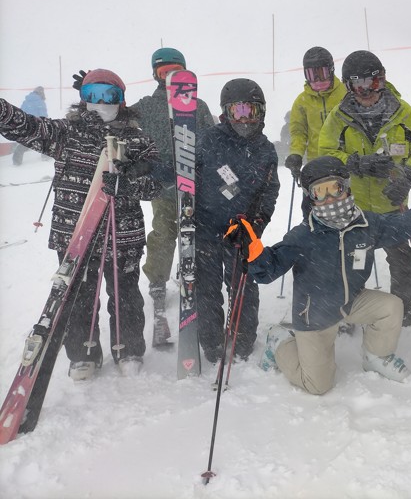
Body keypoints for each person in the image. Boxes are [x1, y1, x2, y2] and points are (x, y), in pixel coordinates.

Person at [227, 156, 411, 395]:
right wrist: (253, 252)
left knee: (391, 306)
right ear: (311, 198)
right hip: (314, 316)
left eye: (334, 188)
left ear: (346, 188)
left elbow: (403, 224)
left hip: (350, 301)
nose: (329, 198)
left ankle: (376, 356)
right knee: (317, 386)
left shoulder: (367, 226)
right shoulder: (303, 237)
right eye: (319, 192)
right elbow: (267, 271)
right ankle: (279, 341)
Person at [0, 69, 162, 379]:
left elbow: (156, 184)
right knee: (78, 298)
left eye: (109, 96)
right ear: (83, 100)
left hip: (123, 234)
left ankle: (127, 348)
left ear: (122, 100)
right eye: (93, 95)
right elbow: (25, 126)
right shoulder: (66, 133)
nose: (101, 104)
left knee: (125, 296)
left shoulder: (137, 138)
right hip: (74, 232)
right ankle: (83, 354)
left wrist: (128, 184)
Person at [318, 50, 411, 326]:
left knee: (402, 260)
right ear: (348, 86)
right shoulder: (339, 117)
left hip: (391, 204)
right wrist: (355, 164)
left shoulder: (402, 112)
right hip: (353, 208)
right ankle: (347, 310)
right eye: (358, 84)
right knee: (352, 262)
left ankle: (402, 309)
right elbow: (326, 154)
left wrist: (409, 175)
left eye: (374, 82)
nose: (367, 90)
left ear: (383, 80)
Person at [128, 47, 215, 346]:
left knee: (196, 232)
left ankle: (196, 275)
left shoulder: (198, 106)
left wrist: (204, 166)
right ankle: (157, 281)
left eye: (175, 72)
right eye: (164, 73)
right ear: (155, 74)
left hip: (195, 185)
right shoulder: (145, 107)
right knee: (164, 232)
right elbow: (116, 123)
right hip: (163, 186)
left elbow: (212, 139)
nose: (169, 79)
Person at [195, 78, 280, 363]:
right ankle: (211, 341)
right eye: (237, 111)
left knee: (243, 283)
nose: (244, 119)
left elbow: (270, 190)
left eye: (250, 111)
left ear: (261, 112)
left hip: (241, 231)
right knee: (207, 287)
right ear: (226, 113)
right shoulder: (210, 139)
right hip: (206, 226)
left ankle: (243, 338)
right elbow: (189, 175)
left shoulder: (265, 149)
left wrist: (256, 225)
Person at [283, 47, 348, 181]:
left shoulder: (345, 94)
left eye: (322, 73)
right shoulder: (302, 102)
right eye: (312, 75)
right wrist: (296, 153)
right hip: (316, 164)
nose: (317, 80)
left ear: (331, 70)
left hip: (344, 162)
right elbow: (298, 132)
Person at [12, 86, 48, 165]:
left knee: (25, 142)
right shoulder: (40, 102)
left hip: (25, 124)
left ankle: (16, 161)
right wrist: (45, 123)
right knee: (44, 139)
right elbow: (43, 115)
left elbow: (21, 111)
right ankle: (45, 157)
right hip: (37, 124)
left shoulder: (26, 101)